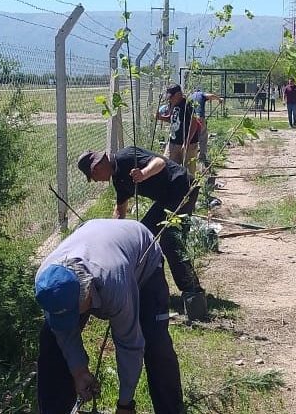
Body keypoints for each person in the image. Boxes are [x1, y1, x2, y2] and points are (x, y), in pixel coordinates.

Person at [35, 219, 184, 414]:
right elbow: (63, 332)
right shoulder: (47, 283)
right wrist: (78, 371)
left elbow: (129, 343)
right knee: (51, 343)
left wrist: (125, 404)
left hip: (143, 255)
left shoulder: (113, 282)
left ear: (88, 293)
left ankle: (171, 409)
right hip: (96, 241)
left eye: (74, 313)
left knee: (155, 344)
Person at [77, 146, 208, 320]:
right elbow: (120, 210)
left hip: (182, 188)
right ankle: (145, 288)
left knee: (170, 241)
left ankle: (192, 292)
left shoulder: (126, 156)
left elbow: (159, 162)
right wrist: (111, 238)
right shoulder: (118, 180)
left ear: (97, 167)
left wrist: (144, 173)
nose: (95, 181)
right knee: (142, 236)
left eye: (92, 177)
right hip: (165, 198)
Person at [156, 84, 200, 174]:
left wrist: (187, 142)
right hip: (173, 143)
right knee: (167, 167)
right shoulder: (174, 104)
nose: (169, 99)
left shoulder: (188, 105)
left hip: (188, 145)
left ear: (178, 94)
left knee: (188, 172)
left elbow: (194, 123)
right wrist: (160, 117)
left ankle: (189, 187)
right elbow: (172, 119)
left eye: (171, 97)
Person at [188, 87, 224, 167]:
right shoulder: (201, 94)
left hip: (191, 119)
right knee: (203, 137)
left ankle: (191, 157)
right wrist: (219, 99)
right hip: (200, 118)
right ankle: (202, 157)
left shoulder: (190, 96)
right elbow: (210, 95)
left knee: (192, 137)